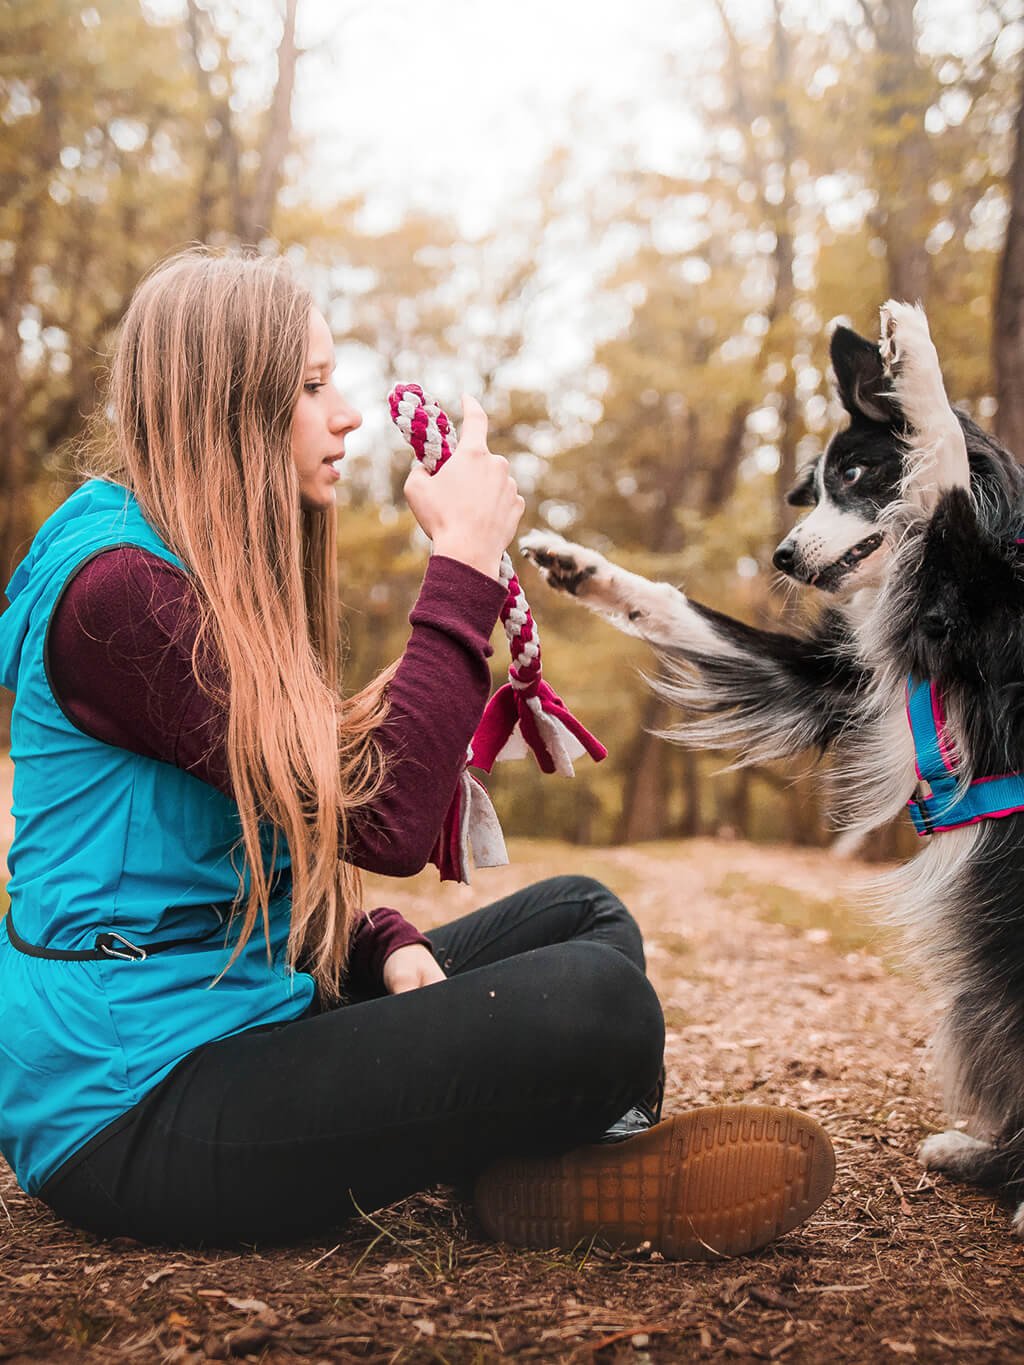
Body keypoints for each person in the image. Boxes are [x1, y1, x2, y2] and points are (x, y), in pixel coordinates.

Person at [0, 249, 834, 1255]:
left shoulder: (198, 573)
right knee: (600, 1006)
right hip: (130, 1105)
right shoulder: (123, 597)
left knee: (584, 914)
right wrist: (464, 566)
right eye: (311, 388)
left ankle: (544, 1175)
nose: (344, 413)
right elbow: (385, 822)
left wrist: (372, 943)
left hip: (233, 1010)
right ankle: (549, 1157)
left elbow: (276, 825)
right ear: (226, 408)